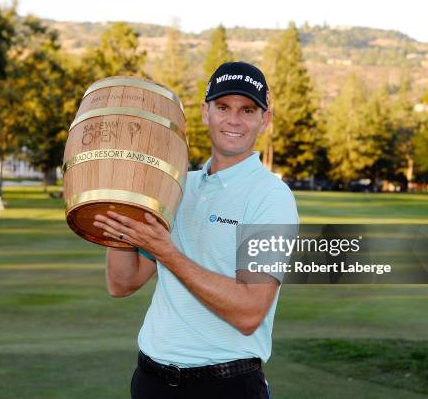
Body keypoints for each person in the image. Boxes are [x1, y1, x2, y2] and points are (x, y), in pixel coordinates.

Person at [94, 61, 299, 398]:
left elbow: (249, 311)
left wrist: (167, 254)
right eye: (223, 107)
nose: (234, 120)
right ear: (205, 112)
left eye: (248, 110)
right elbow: (122, 283)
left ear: (265, 120)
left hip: (224, 385)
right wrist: (120, 215)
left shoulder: (272, 197)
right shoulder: (176, 187)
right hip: (151, 381)